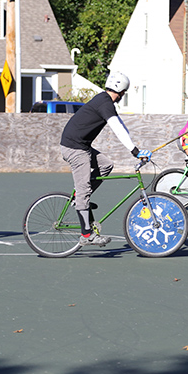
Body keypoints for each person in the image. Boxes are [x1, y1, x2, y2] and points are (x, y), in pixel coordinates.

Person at [59, 71, 152, 246]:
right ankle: (87, 235)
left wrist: (136, 147)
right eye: (124, 92)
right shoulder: (104, 103)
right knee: (84, 190)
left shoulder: (105, 101)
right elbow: (117, 128)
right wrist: (135, 151)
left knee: (106, 165)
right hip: (75, 148)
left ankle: (80, 197)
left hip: (80, 146)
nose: (123, 95)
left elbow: (121, 125)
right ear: (121, 91)